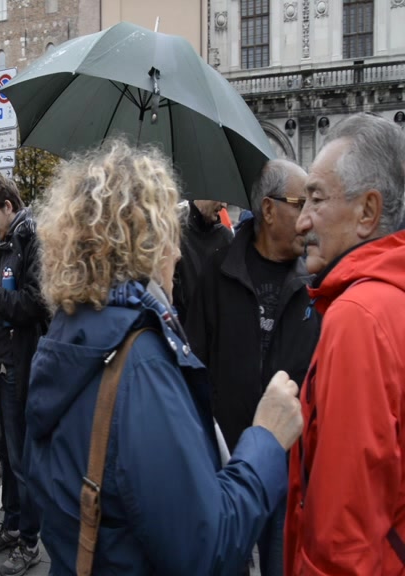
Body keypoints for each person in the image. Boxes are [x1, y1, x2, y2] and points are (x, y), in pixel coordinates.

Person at [24, 139, 303, 574]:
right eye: (169, 237)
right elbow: (205, 545)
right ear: (146, 244)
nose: (176, 253)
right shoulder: (141, 362)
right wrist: (265, 439)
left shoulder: (67, 332)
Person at [186, 159, 320, 576]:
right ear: (267, 209)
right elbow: (194, 367)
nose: (309, 218)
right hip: (227, 468)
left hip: (289, 470)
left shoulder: (317, 283)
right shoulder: (218, 270)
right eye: (301, 203)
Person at [285, 113, 405, 574]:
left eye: (316, 198)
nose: (302, 223)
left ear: (368, 213)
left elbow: (342, 537)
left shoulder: (358, 318)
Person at [0, 174, 50, 576]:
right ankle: (11, 523)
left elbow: (36, 303)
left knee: (22, 459)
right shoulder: (3, 243)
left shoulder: (28, 239)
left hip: (23, 363)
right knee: (7, 454)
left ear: (8, 205)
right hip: (4, 364)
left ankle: (29, 541)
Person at [172, 198, 232, 325]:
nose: (224, 205)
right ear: (203, 194)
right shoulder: (174, 234)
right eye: (220, 197)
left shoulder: (227, 239)